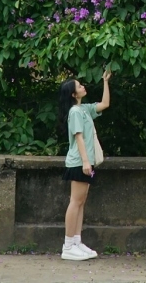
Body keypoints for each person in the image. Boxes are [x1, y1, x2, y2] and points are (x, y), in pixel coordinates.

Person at [58, 68, 111, 261]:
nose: (83, 86)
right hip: (79, 162)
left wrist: (105, 81)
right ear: (74, 94)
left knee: (80, 202)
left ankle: (77, 241)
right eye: (79, 86)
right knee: (75, 201)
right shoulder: (75, 112)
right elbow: (78, 137)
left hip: (84, 163)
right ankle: (68, 245)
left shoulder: (84, 109)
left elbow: (105, 104)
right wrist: (86, 162)